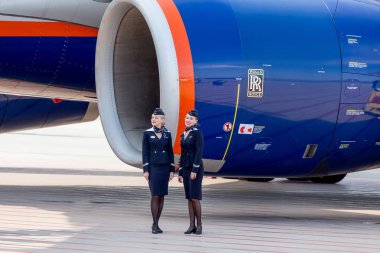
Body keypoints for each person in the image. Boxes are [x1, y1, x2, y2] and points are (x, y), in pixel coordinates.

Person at [142, 108, 175, 234]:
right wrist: (146, 169)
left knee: (161, 196)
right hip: (153, 168)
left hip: (165, 167)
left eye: (156, 118)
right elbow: (145, 153)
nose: (153, 119)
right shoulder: (147, 133)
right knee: (155, 195)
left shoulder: (168, 134)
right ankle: (154, 224)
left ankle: (157, 223)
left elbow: (170, 152)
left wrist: (172, 169)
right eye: (152, 117)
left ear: (162, 120)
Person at [178, 109, 204, 235]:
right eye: (187, 118)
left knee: (194, 197)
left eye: (191, 118)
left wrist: (195, 169)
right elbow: (182, 154)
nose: (188, 120)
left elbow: (199, 152)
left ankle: (199, 225)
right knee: (189, 197)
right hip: (186, 168)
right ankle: (191, 225)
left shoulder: (197, 133)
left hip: (196, 169)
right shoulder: (183, 134)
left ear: (196, 121)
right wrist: (181, 171)